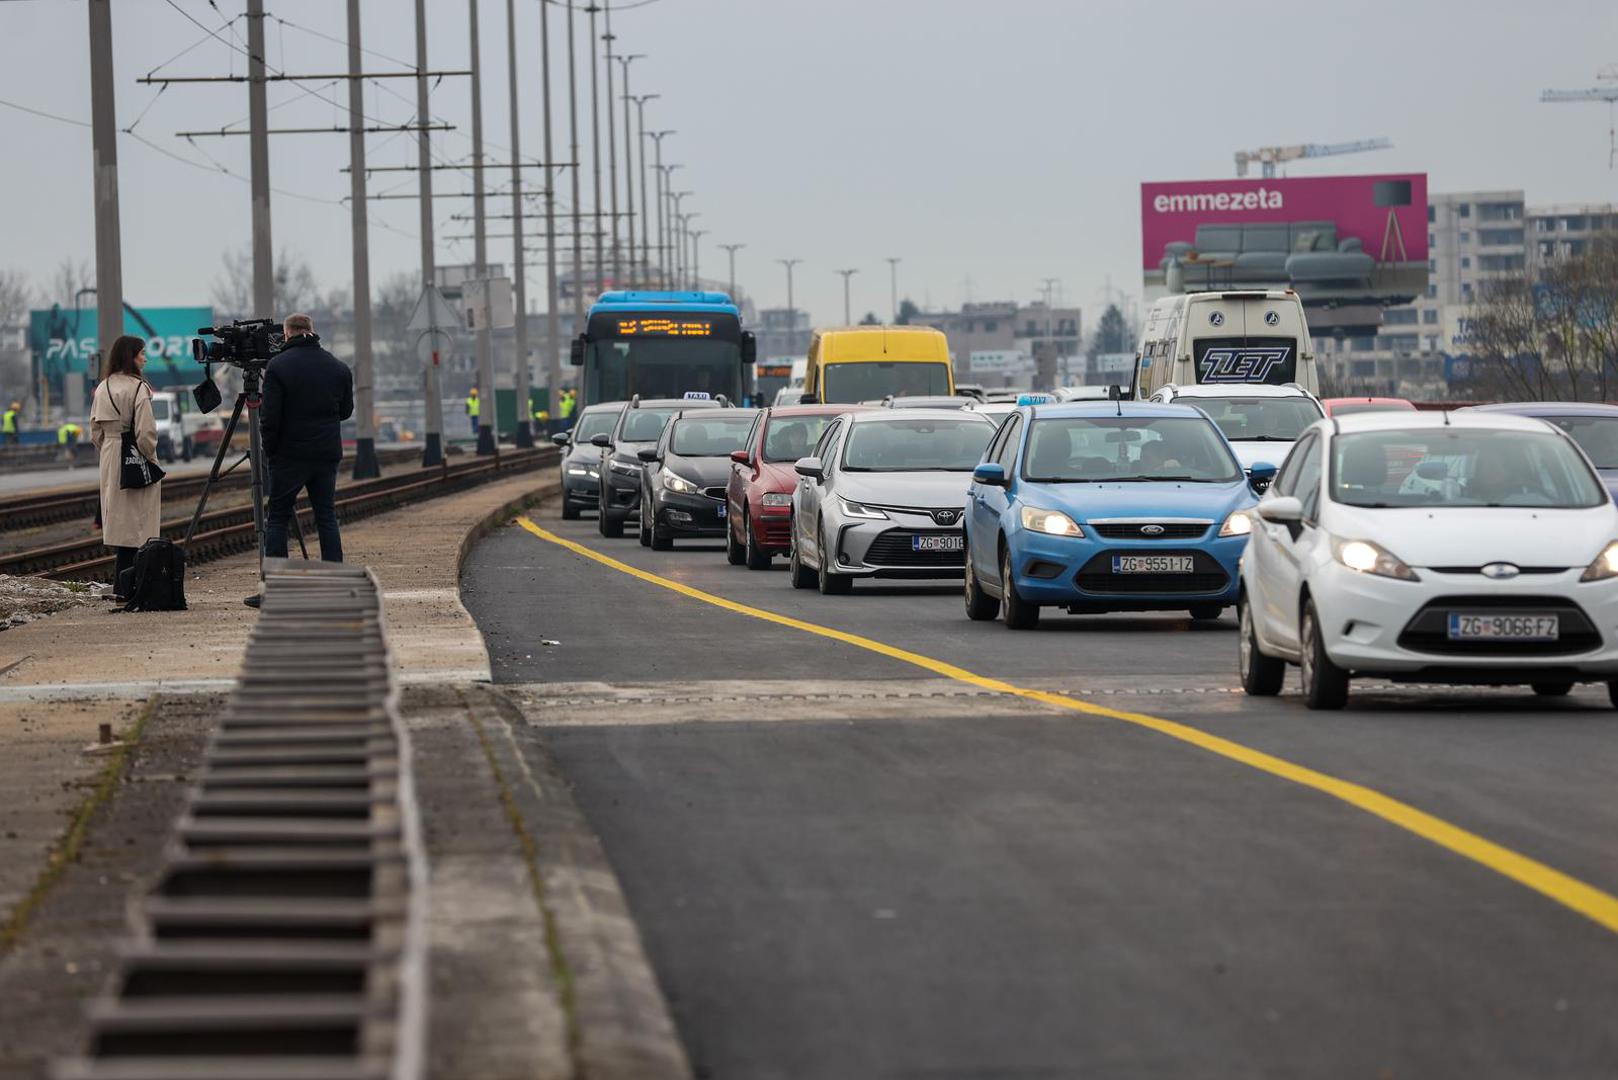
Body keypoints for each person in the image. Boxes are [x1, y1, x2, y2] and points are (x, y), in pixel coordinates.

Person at [259, 312, 354, 571]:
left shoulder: (277, 367)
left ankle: (277, 584)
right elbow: (345, 412)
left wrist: (271, 451)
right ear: (311, 331)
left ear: (287, 333)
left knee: (278, 517)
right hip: (326, 454)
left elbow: (269, 419)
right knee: (326, 516)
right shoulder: (339, 367)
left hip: (289, 456)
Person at [89, 336, 161, 597]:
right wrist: (150, 457)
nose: (145, 358)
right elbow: (145, 433)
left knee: (120, 521)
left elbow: (94, 432)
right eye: (142, 354)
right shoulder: (139, 388)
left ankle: (121, 584)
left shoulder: (103, 387)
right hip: (134, 456)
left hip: (110, 456)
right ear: (131, 356)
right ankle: (134, 585)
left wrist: (111, 447)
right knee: (139, 522)